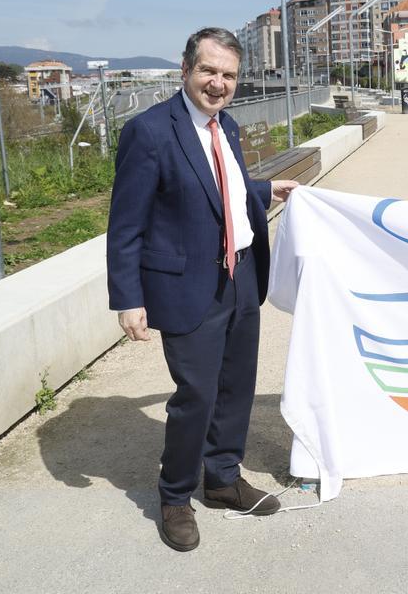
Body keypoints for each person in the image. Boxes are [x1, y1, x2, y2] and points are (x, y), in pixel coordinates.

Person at [107, 27, 299, 551]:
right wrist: (128, 298)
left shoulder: (226, 126)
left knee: (236, 387)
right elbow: (126, 225)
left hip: (240, 278)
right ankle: (174, 496)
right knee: (196, 395)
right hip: (188, 286)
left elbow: (219, 189)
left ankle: (222, 480)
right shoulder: (148, 132)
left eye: (229, 75)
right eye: (209, 71)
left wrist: (265, 189)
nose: (218, 83)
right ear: (186, 69)